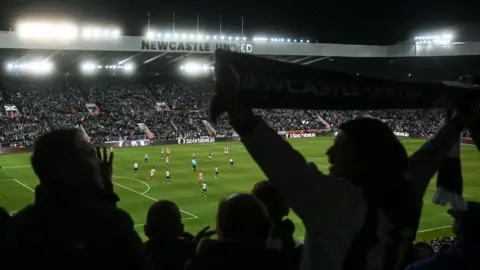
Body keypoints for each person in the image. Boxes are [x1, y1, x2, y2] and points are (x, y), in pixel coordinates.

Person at [211, 86, 478, 270]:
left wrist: (238, 110)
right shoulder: (405, 191)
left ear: (363, 157)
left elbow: (282, 162)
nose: (329, 153)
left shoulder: (337, 204)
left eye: (340, 147)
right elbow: (427, 158)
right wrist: (456, 122)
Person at [1, 128, 153, 270]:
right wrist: (105, 188)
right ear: (73, 167)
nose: (99, 163)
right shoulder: (111, 226)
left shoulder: (20, 227)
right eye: (91, 155)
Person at [185, 193, 280, 270]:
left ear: (220, 229)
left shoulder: (200, 264)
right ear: (267, 229)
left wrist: (193, 250)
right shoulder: (280, 263)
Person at [406, 201, 480, 270]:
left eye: (455, 218)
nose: (453, 221)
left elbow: (412, 268)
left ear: (461, 226)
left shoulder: (450, 259)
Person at [144, 201, 196, 270]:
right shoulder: (191, 256)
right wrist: (196, 246)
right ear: (181, 229)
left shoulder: (137, 257)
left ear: (146, 230)